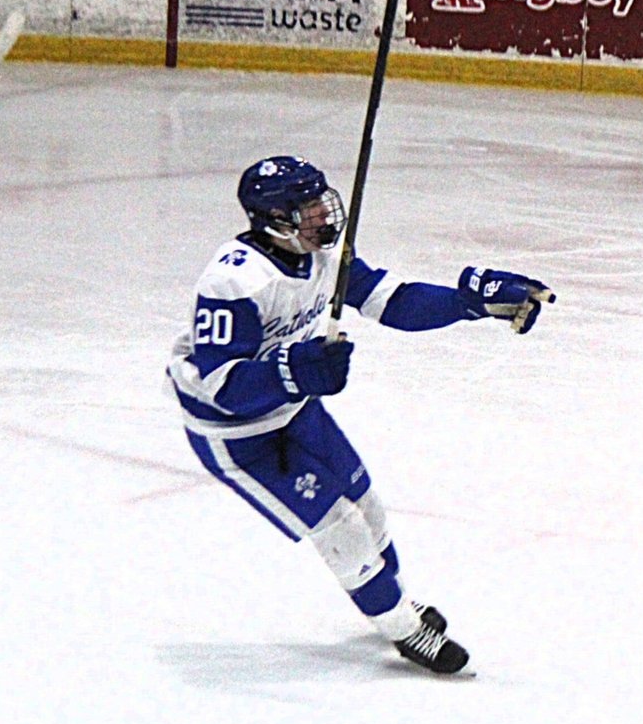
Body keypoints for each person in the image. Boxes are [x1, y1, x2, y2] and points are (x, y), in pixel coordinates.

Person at [167, 155, 553, 675]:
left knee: (366, 503)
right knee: (340, 527)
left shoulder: (321, 255)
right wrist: (294, 370)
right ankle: (402, 630)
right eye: (306, 207)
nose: (322, 215)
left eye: (321, 200)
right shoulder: (235, 282)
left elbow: (391, 301)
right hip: (235, 434)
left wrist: (468, 304)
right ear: (274, 219)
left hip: (292, 407)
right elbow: (223, 387)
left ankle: (392, 599)